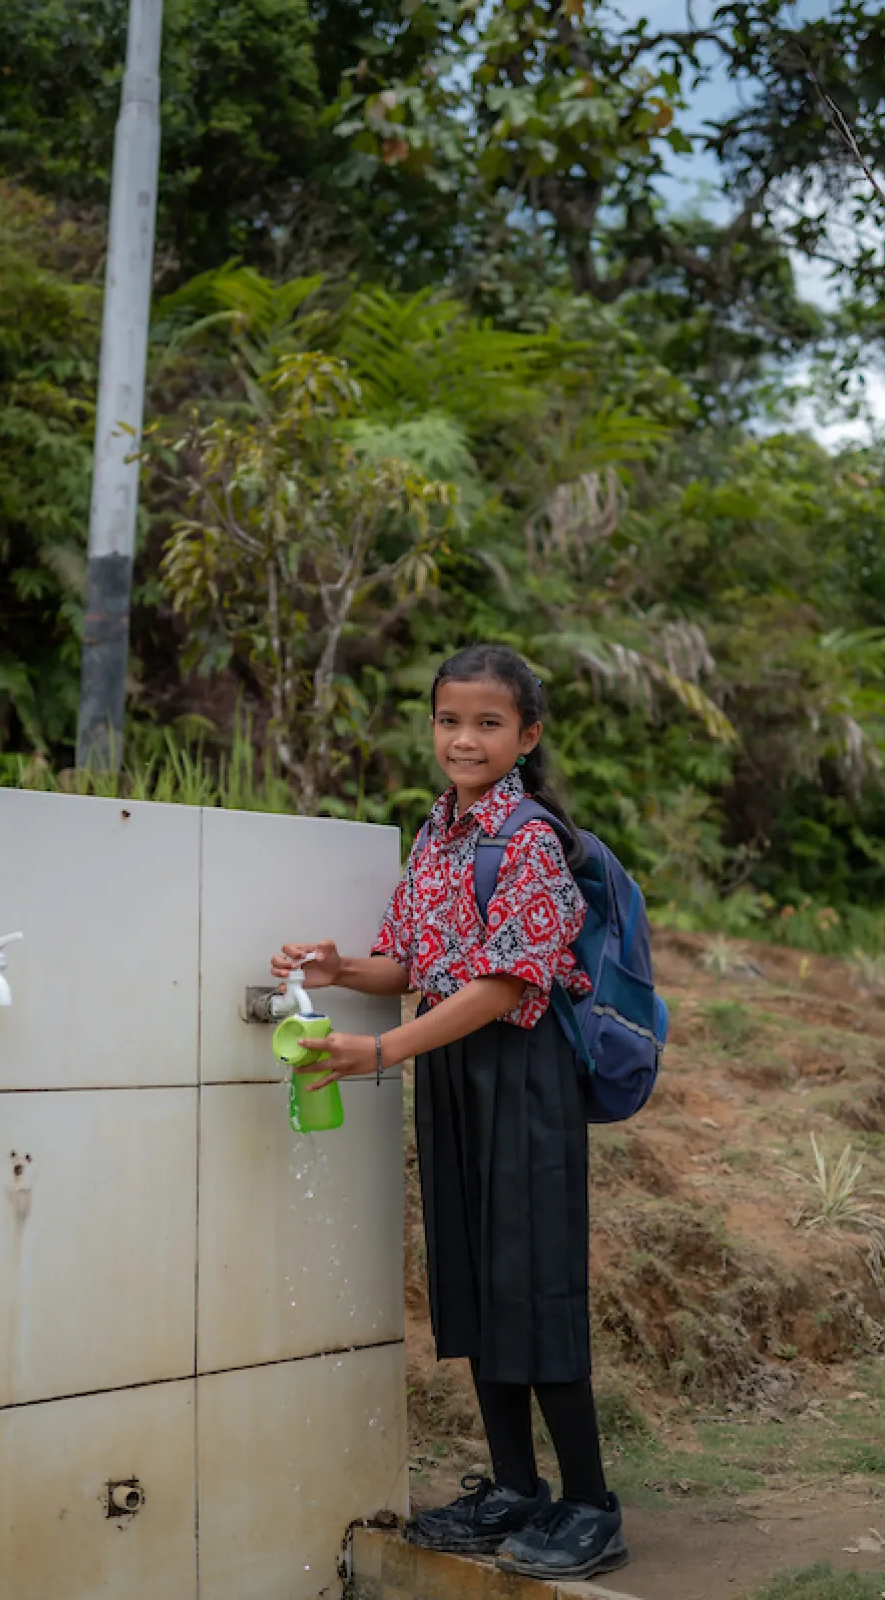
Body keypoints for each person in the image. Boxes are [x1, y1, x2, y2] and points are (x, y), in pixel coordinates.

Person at [270, 642, 625, 1582]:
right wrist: (341, 970)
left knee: (536, 1275)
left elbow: (508, 985)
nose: (464, 738)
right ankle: (515, 1487)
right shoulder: (433, 836)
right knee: (473, 1271)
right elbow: (414, 965)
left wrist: (380, 1050)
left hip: (525, 1075)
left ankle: (589, 1500)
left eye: (488, 723)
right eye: (449, 720)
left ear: (527, 736)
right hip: (454, 1075)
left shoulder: (533, 841)